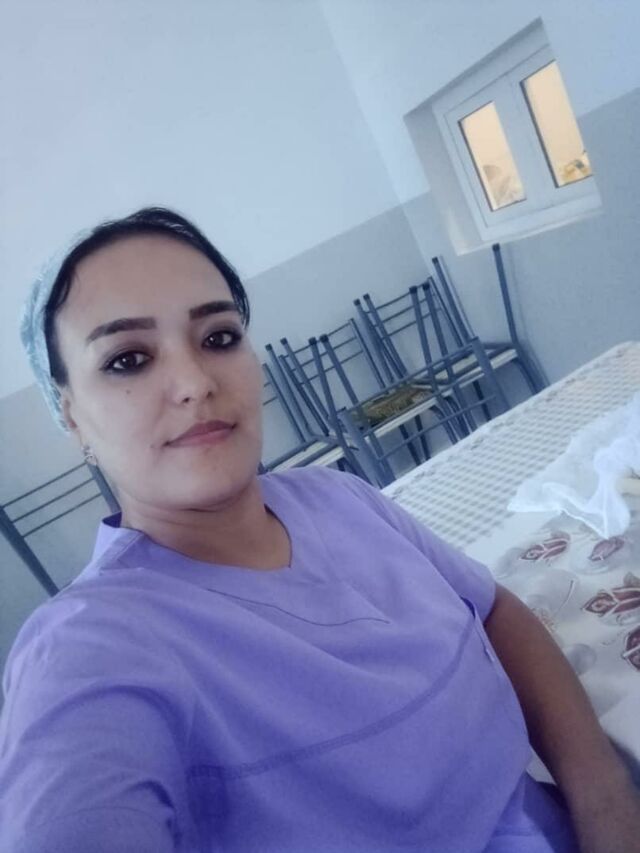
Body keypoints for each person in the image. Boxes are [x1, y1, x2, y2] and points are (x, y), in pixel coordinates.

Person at [1, 207, 638, 853]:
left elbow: (493, 608)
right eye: (128, 359)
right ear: (70, 414)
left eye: (218, 337)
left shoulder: (342, 498)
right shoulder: (87, 648)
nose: (194, 382)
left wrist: (604, 796)